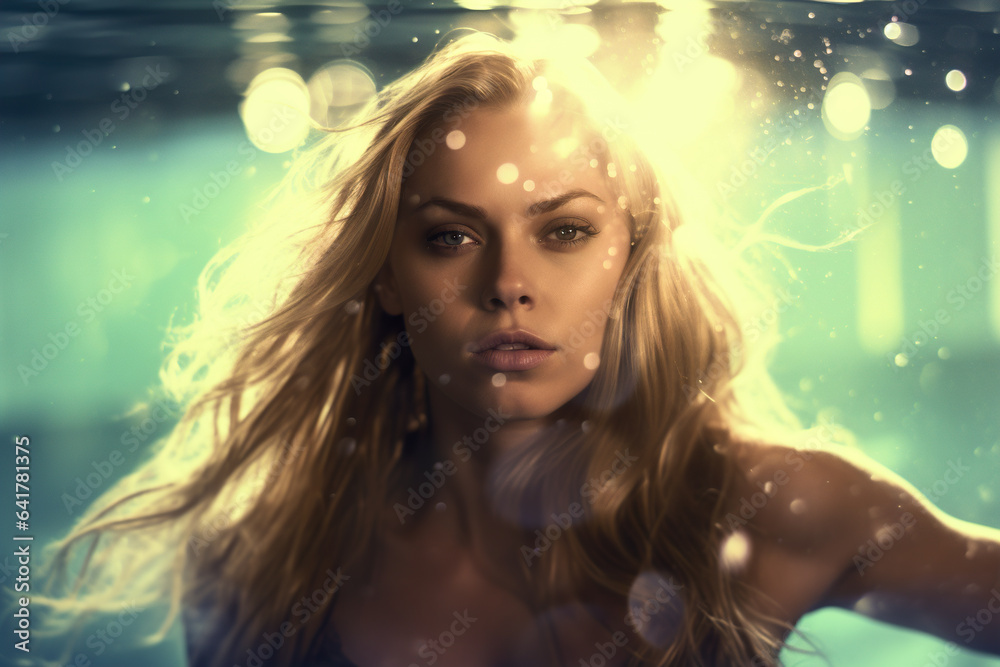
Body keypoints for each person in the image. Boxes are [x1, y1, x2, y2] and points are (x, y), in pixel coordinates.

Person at [36, 32, 1000, 667]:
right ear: (384, 272)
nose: (508, 281)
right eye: (451, 235)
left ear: (632, 259)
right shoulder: (263, 567)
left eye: (566, 231)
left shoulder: (776, 509)